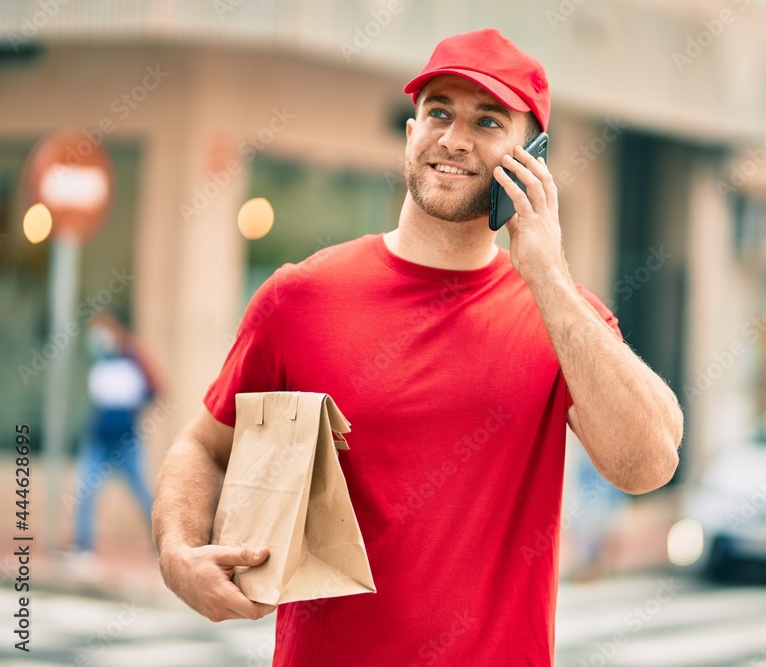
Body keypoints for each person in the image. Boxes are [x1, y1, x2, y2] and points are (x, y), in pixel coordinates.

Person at [153, 28, 683, 666]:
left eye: (488, 121)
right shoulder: (301, 297)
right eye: (439, 112)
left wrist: (545, 269)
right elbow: (204, 445)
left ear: (532, 158)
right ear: (411, 134)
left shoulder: (562, 315)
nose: (455, 139)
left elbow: (647, 464)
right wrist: (179, 552)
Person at [71, 311, 159, 563]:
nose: (99, 337)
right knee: (85, 490)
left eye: (103, 329)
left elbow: (155, 389)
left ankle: (162, 542)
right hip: (98, 439)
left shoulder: (133, 357)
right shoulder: (100, 361)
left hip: (126, 441)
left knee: (143, 492)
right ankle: (82, 546)